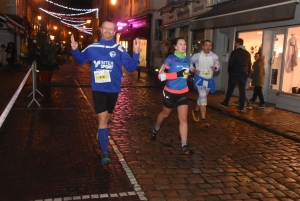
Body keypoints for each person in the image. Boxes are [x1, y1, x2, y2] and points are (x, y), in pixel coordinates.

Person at [70, 20, 140, 165]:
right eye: (105, 28)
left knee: (108, 116)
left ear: (114, 32)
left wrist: (136, 54)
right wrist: (75, 50)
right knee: (102, 119)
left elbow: (131, 67)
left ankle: (101, 133)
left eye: (111, 29)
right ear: (100, 30)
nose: (108, 31)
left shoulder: (119, 49)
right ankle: (105, 153)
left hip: (114, 89)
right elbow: (81, 60)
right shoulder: (92, 48)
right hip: (99, 89)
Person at [151, 37, 193, 155]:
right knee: (165, 114)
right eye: (180, 44)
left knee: (183, 119)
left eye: (185, 44)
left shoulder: (188, 60)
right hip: (169, 92)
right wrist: (176, 74)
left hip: (183, 92)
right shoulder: (170, 59)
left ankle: (184, 145)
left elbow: (187, 73)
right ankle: (156, 128)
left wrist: (190, 75)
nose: (183, 46)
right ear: (175, 46)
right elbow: (160, 76)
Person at [190, 40, 220, 127]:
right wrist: (194, 70)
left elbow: (218, 65)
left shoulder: (214, 57)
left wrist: (216, 68)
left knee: (202, 97)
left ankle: (195, 111)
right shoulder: (196, 56)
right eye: (206, 45)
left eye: (210, 45)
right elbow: (190, 64)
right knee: (203, 98)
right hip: (199, 80)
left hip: (209, 81)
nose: (208, 47)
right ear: (202, 46)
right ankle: (203, 120)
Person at [219, 38, 251, 112]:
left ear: (238, 43)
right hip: (244, 73)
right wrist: (248, 74)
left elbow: (231, 63)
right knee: (242, 90)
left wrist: (230, 72)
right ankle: (241, 107)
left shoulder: (234, 52)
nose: (234, 44)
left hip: (235, 72)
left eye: (235, 43)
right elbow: (249, 65)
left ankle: (225, 103)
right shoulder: (247, 53)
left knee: (230, 88)